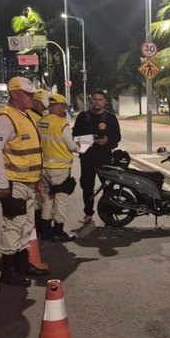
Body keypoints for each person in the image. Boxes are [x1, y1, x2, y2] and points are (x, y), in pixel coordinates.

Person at [0, 76, 48, 285]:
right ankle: (9, 270)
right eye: (27, 93)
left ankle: (23, 263)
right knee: (13, 225)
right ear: (14, 94)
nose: (32, 97)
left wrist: (37, 178)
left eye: (32, 93)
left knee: (27, 224)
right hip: (13, 182)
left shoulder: (25, 115)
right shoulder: (6, 117)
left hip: (27, 181)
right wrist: (3, 184)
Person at [71, 88, 121, 224]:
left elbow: (117, 137)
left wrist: (107, 140)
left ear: (105, 102)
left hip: (105, 158)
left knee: (108, 187)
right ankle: (88, 213)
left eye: (100, 99)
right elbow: (74, 137)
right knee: (87, 186)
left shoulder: (110, 118)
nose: (97, 102)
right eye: (95, 99)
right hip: (87, 159)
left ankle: (107, 214)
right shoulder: (82, 117)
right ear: (91, 100)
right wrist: (89, 139)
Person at [37, 93, 81, 241]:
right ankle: (58, 231)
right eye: (63, 107)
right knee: (61, 200)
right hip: (60, 169)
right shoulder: (62, 124)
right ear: (60, 106)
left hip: (44, 168)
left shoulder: (41, 122)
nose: (64, 110)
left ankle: (45, 231)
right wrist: (79, 146)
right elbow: (71, 145)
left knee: (47, 199)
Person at [28, 89, 49, 238]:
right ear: (35, 101)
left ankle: (38, 226)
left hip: (38, 162)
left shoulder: (39, 116)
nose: (44, 107)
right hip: (33, 165)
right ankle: (37, 228)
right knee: (37, 199)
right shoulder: (33, 118)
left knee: (39, 198)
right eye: (42, 104)